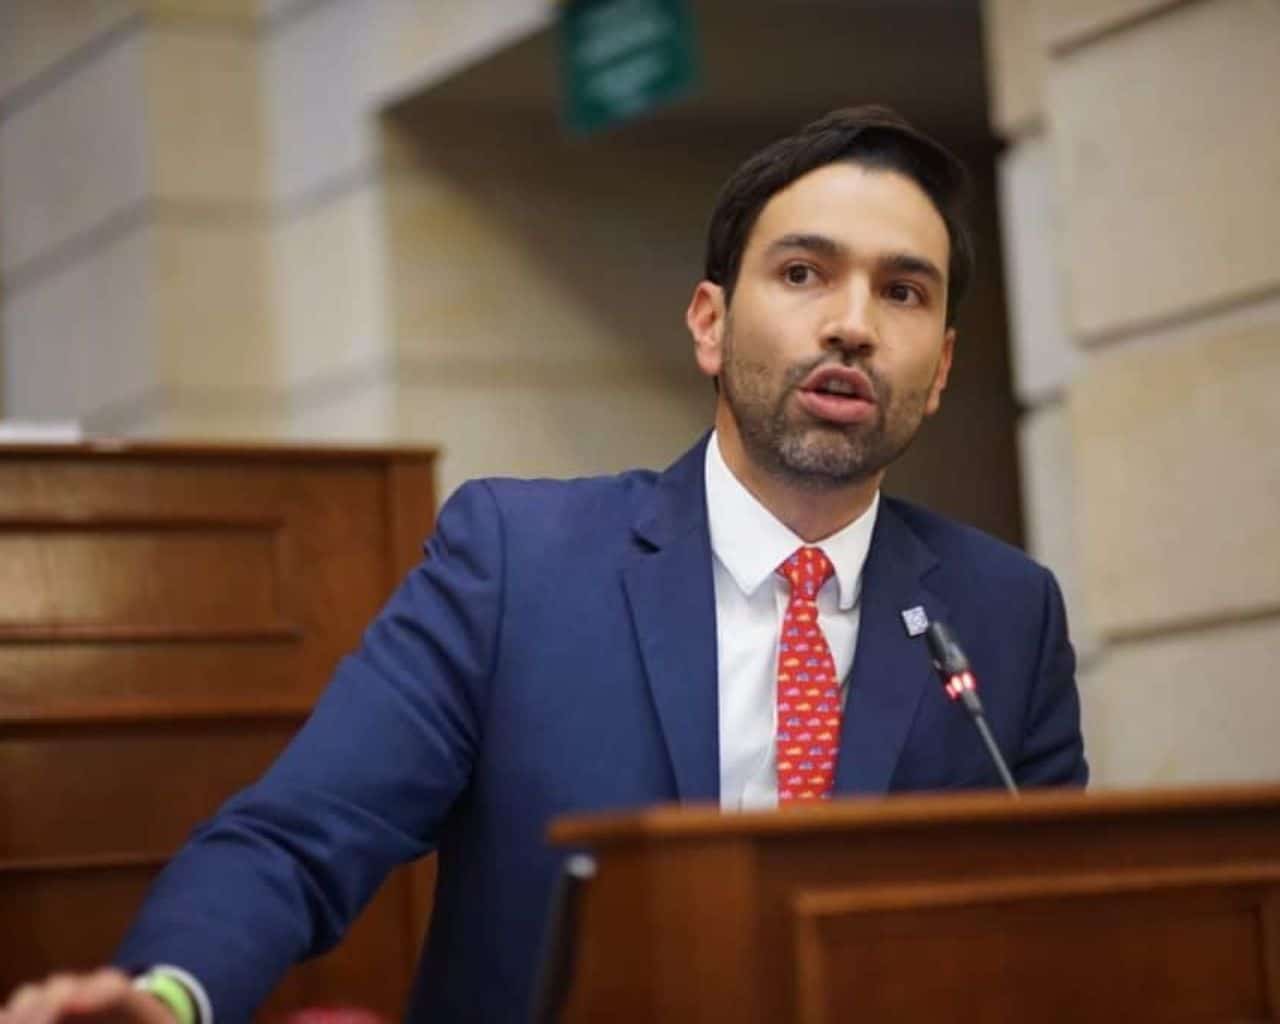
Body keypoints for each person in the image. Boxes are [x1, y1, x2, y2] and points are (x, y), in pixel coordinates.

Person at [0, 105, 1086, 1024]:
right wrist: (168, 997)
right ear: (709, 323)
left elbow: (1055, 936)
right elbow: (300, 834)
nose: (851, 326)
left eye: (902, 292)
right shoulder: (518, 563)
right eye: (803, 272)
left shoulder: (1004, 612)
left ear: (940, 367)